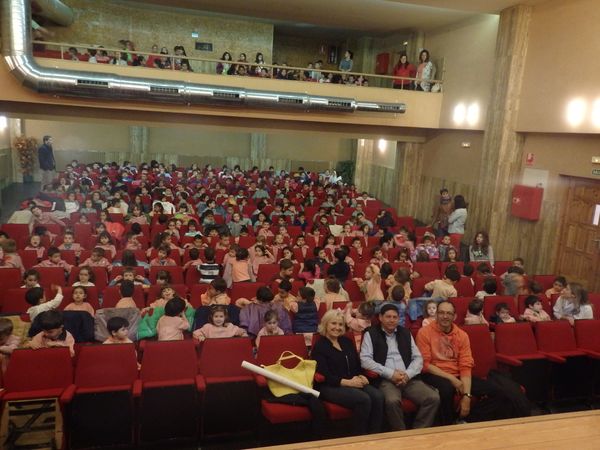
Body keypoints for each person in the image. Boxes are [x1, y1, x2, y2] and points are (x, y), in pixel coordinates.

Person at [416, 301, 514, 425]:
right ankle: (447, 426)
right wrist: (452, 379)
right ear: (436, 315)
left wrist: (466, 396)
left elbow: (465, 365)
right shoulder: (424, 333)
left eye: (448, 313)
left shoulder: (462, 335)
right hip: (435, 374)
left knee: (498, 392)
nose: (445, 316)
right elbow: (425, 365)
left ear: (454, 316)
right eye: (441, 313)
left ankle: (467, 420)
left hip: (458, 374)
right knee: (447, 389)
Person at [360, 304, 439, 431]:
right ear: (380, 317)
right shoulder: (371, 334)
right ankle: (401, 435)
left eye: (395, 317)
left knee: (432, 398)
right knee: (392, 401)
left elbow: (418, 358)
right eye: (388, 317)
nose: (392, 320)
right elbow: (365, 360)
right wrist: (391, 374)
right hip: (386, 380)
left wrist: (407, 374)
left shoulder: (405, 333)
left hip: (407, 378)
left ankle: (418, 433)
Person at [312, 309, 384, 435]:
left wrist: (361, 375)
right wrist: (347, 382)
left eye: (340, 324)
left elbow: (356, 363)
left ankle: (374, 435)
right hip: (330, 386)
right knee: (363, 399)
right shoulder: (320, 346)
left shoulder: (347, 342)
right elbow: (323, 374)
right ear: (325, 324)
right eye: (333, 323)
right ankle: (357, 438)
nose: (337, 327)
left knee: (378, 396)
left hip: (353, 381)